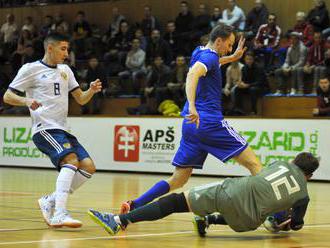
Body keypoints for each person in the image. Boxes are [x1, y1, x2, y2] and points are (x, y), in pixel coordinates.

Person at [119, 24, 262, 215]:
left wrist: (231, 58)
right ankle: (278, 214)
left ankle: (134, 204)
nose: (229, 48)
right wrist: (192, 104)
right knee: (254, 164)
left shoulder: (200, 51)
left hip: (190, 125)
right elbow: (193, 74)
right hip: (209, 123)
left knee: (178, 178)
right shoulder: (209, 56)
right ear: (218, 41)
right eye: (229, 45)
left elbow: (210, 65)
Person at [3, 33, 102, 228]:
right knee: (71, 160)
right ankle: (60, 213)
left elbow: (80, 99)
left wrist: (90, 90)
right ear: (50, 48)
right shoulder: (30, 69)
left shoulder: (66, 70)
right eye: (63, 49)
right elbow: (7, 96)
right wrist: (26, 100)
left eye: (67, 49)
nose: (67, 53)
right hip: (44, 128)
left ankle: (50, 200)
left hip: (63, 129)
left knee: (88, 166)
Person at [88, 152, 318, 236]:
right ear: (309, 175)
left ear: (293, 161)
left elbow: (265, 183)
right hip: (246, 222)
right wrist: (287, 222)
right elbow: (297, 224)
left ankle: (119, 220)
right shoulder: (304, 196)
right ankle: (209, 220)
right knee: (257, 212)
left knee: (175, 202)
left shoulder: (279, 163)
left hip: (232, 193)